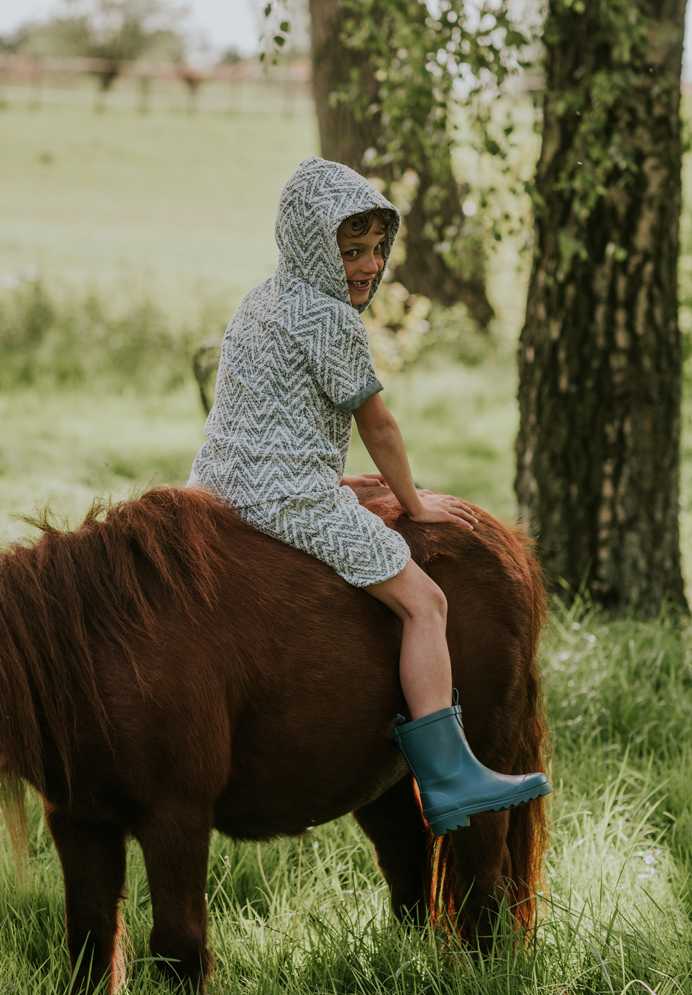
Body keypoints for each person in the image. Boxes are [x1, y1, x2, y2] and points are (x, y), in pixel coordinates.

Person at [189, 157, 550, 836]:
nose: (369, 265)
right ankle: (449, 773)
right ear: (310, 245)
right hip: (291, 501)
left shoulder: (258, 300)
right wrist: (414, 505)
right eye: (351, 250)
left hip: (214, 489)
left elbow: (248, 408)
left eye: (378, 249)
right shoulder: (331, 320)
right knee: (426, 602)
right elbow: (377, 427)